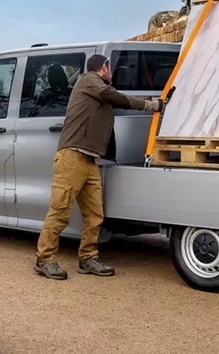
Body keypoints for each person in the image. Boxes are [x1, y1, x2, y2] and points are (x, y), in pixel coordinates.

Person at [34, 54, 163, 280]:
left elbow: (115, 97)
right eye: (109, 67)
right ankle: (44, 259)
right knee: (60, 211)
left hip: (90, 160)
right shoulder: (88, 80)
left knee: (94, 214)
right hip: (72, 157)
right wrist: (150, 105)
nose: (111, 71)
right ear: (104, 67)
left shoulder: (98, 90)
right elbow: (115, 96)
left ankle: (88, 258)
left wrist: (155, 99)